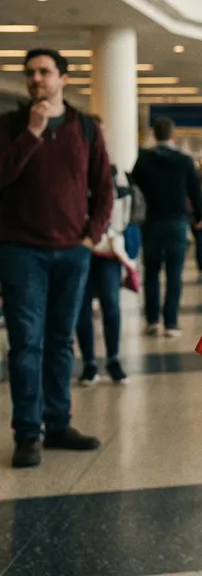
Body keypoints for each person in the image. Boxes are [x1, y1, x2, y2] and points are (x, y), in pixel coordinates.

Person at [0, 49, 112, 467]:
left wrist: (91, 236)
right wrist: (32, 132)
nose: (36, 80)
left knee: (62, 342)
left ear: (63, 78)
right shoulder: (11, 126)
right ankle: (28, 434)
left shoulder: (85, 128)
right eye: (30, 73)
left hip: (72, 252)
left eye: (45, 72)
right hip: (20, 251)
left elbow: (103, 186)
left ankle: (58, 422)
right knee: (26, 344)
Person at [132, 117, 202, 339]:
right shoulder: (184, 161)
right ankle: (171, 323)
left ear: (154, 134)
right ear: (173, 135)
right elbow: (196, 191)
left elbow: (135, 187)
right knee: (174, 273)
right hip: (176, 222)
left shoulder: (144, 160)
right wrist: (199, 216)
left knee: (152, 272)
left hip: (152, 222)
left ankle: (152, 320)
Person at [77, 142, 135, 386]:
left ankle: (113, 359)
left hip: (107, 250)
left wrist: (101, 231)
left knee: (111, 304)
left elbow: (123, 210)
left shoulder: (113, 173)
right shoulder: (75, 171)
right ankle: (89, 363)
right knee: (81, 307)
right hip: (79, 249)